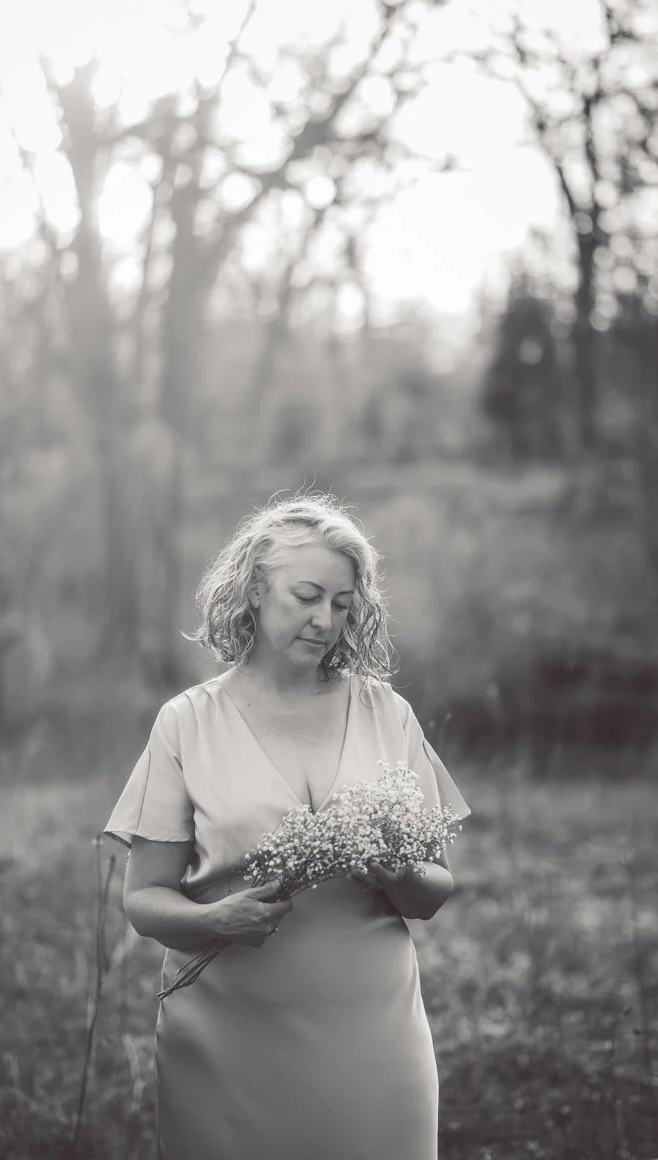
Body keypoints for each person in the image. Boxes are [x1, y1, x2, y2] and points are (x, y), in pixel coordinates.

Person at [104, 492, 470, 1160]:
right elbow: (143, 900)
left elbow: (436, 891)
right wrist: (217, 922)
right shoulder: (187, 723)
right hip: (226, 1043)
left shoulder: (390, 714)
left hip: (373, 1037)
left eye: (342, 602)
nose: (325, 619)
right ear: (251, 591)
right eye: (306, 595)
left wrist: (402, 875)